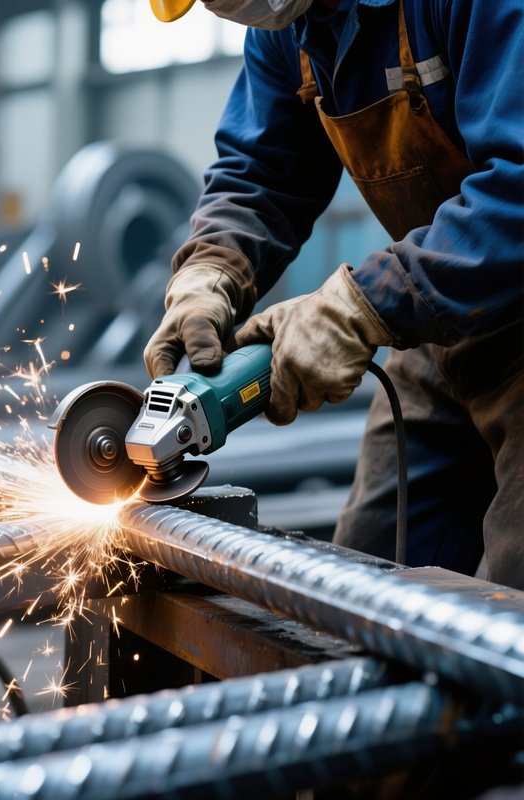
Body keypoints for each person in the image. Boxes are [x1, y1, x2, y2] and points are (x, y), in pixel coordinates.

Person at [144, 0, 523, 588]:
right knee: (361, 589)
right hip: (442, 322)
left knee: (511, 616)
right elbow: (262, 171)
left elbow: (519, 187)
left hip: (496, 290)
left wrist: (361, 305)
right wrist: (211, 268)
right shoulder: (291, 28)